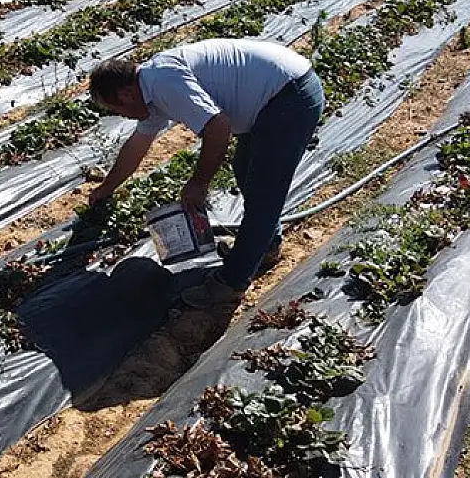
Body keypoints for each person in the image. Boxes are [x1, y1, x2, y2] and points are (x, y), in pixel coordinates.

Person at [87, 38, 324, 308]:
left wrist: (199, 183)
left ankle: (231, 283)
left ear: (126, 95)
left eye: (116, 109)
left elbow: (217, 126)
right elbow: (136, 147)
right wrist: (106, 188)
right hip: (272, 97)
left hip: (288, 97)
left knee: (263, 196)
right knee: (244, 169)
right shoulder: (148, 93)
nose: (123, 117)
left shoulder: (163, 81)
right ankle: (267, 245)